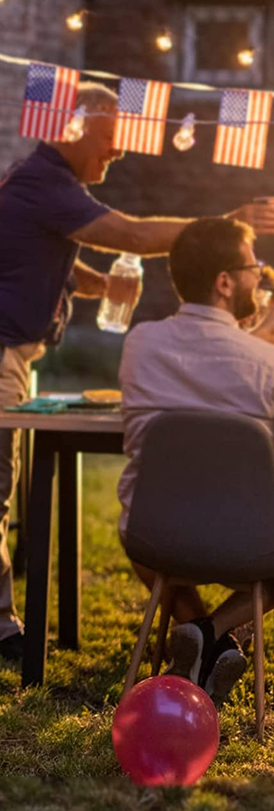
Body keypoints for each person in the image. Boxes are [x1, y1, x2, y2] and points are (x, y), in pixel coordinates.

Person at [0, 82, 274, 660]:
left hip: (3, 347)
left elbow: (44, 258)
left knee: (3, 488)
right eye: (110, 136)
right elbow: (131, 235)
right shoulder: (46, 184)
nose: (119, 149)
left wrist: (96, 284)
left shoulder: (48, 185)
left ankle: (199, 633)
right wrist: (223, 223)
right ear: (71, 127)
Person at [118, 217, 274, 706]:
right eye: (252, 267)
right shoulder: (266, 364)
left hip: (153, 539)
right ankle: (217, 631)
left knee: (157, 549)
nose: (260, 275)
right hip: (251, 545)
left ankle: (201, 638)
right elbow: (242, 365)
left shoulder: (139, 343)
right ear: (224, 282)